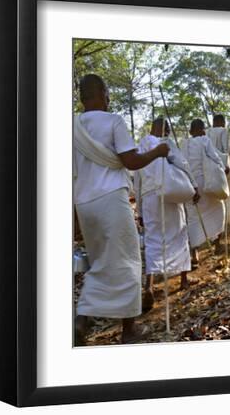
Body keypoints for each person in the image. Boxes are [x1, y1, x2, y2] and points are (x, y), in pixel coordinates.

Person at [73, 74, 170, 345]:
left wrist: (74, 218)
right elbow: (131, 160)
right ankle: (128, 330)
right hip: (111, 199)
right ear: (103, 93)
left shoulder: (72, 126)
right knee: (128, 261)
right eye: (106, 92)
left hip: (84, 202)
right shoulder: (113, 120)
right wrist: (158, 151)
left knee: (100, 263)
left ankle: (81, 320)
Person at [134, 117, 195, 312]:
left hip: (149, 198)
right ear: (165, 130)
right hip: (169, 194)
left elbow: (137, 181)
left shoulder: (140, 147)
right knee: (178, 233)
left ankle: (149, 286)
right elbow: (182, 164)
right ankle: (184, 279)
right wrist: (193, 186)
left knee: (153, 240)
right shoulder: (166, 144)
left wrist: (140, 209)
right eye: (167, 129)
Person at [181, 119, 227, 263]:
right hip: (205, 183)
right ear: (202, 130)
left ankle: (194, 253)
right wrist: (223, 167)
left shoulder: (184, 144)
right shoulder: (204, 140)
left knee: (193, 218)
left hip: (189, 185)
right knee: (219, 208)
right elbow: (215, 157)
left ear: (190, 131)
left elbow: (180, 164)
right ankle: (217, 243)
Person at [206, 114, 230, 231]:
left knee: (219, 196)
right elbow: (226, 150)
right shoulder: (223, 131)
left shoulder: (208, 132)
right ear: (222, 122)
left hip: (211, 168)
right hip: (224, 166)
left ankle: (221, 225)